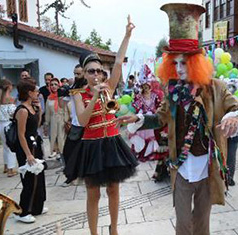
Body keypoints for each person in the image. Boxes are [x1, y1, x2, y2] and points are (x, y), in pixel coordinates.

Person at [119, 4, 238, 234]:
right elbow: (160, 118)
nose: (179, 68)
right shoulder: (172, 92)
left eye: (184, 63)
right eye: (175, 63)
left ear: (195, 63)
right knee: (182, 224)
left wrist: (235, 117)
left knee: (202, 224)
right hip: (180, 167)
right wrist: (139, 118)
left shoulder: (215, 88)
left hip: (207, 167)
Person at [64, 16, 137, 235]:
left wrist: (126, 36)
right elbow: (83, 120)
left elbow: (117, 62)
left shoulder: (110, 88)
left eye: (98, 71)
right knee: (93, 193)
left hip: (112, 142)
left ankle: (114, 230)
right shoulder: (78, 94)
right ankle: (94, 233)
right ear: (84, 74)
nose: (96, 74)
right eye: (91, 71)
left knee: (114, 190)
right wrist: (94, 97)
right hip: (91, 146)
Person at [14, 79, 47, 223]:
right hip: (26, 147)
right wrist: (28, 154)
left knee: (38, 177)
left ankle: (36, 207)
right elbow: (21, 134)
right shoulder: (22, 110)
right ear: (29, 93)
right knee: (29, 179)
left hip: (35, 144)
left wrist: (39, 110)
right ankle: (23, 211)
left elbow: (36, 125)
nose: (38, 93)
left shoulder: (32, 107)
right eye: (35, 91)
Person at [61, 64, 86, 187]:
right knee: (67, 152)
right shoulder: (73, 87)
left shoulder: (89, 87)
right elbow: (65, 103)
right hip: (76, 124)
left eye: (78, 74)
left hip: (87, 124)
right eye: (74, 73)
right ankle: (71, 176)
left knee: (86, 153)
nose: (76, 76)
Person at [0, 79, 18, 177]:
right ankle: (10, 169)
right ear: (9, 86)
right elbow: (12, 113)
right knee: (11, 146)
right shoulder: (10, 99)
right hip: (7, 124)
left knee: (5, 146)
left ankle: (6, 166)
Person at [44, 78, 69, 158]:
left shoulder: (63, 96)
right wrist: (46, 124)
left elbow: (67, 109)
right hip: (53, 120)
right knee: (54, 139)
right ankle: (59, 156)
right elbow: (48, 112)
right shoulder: (49, 98)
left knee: (62, 140)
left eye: (55, 84)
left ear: (59, 85)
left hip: (63, 119)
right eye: (51, 85)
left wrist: (67, 120)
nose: (53, 86)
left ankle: (65, 159)